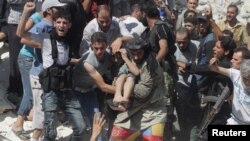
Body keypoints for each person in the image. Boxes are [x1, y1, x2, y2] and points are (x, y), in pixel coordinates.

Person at [16, 2, 86, 141]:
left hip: (65, 89)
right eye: (58, 22)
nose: (61, 25)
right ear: (54, 23)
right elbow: (21, 34)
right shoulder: (45, 38)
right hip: (49, 89)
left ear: (70, 25)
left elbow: (63, 60)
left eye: (64, 23)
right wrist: (25, 13)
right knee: (47, 128)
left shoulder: (68, 41)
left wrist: (79, 62)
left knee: (81, 127)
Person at [110, 37, 167, 141]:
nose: (136, 57)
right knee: (116, 138)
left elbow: (143, 92)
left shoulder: (151, 65)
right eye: (133, 53)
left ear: (144, 51)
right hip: (130, 112)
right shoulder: (129, 59)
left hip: (152, 112)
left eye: (139, 53)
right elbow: (122, 74)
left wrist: (123, 87)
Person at [209, 59, 250, 125]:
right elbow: (214, 68)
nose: (247, 82)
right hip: (234, 121)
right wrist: (213, 63)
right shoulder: (236, 75)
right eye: (245, 79)